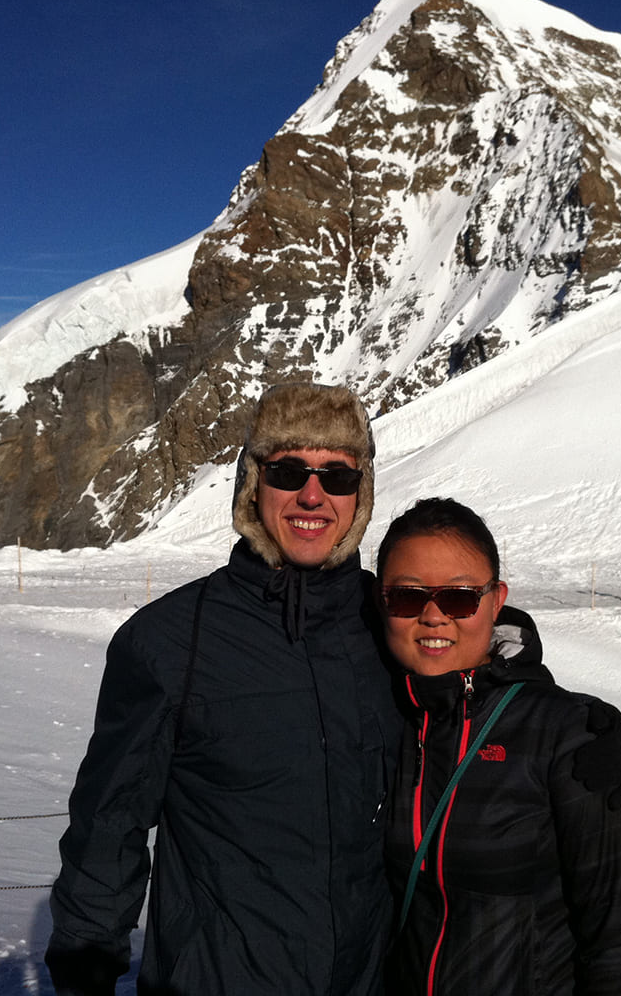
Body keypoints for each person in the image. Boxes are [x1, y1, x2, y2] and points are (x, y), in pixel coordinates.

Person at [46, 383, 401, 996]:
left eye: (338, 477)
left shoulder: (389, 625)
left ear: (361, 494)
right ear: (251, 484)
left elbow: (472, 681)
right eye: (288, 471)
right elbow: (109, 826)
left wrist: (525, 678)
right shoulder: (170, 642)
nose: (312, 495)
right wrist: (86, 967)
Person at [377, 498, 621, 996]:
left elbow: (610, 938)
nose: (434, 617)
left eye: (459, 598)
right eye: (408, 597)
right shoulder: (384, 713)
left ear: (496, 600)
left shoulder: (563, 736)